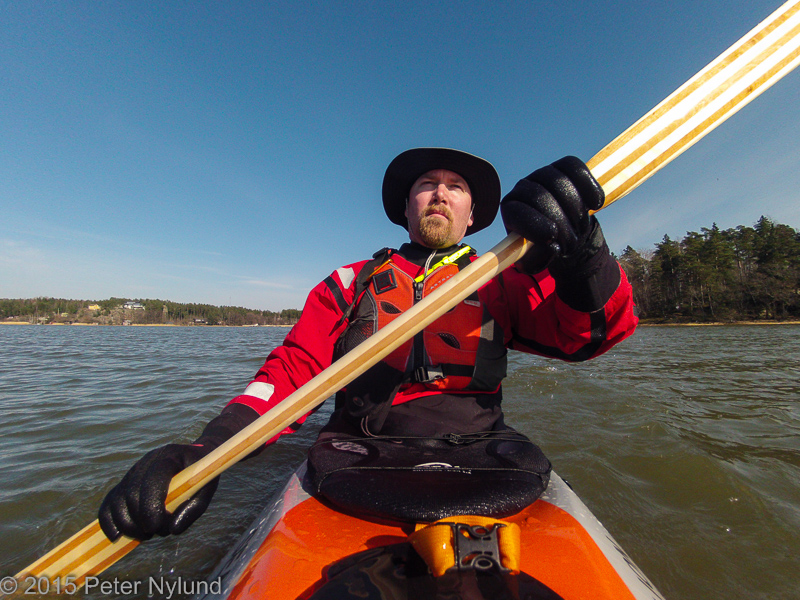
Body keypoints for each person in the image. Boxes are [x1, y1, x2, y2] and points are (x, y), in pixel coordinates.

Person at [98, 148, 638, 541]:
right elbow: (288, 375)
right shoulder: (348, 282)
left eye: (457, 186)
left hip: (479, 456)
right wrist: (207, 451)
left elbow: (591, 334)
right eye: (428, 183)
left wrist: (580, 255)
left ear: (472, 216)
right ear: (406, 207)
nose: (441, 192)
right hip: (359, 454)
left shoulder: (503, 278)